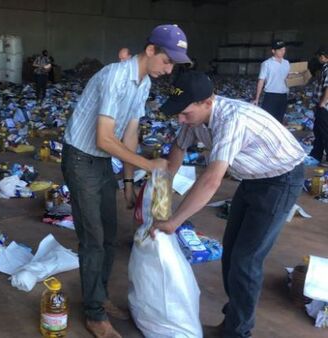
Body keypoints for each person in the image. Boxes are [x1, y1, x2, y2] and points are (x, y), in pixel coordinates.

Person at [151, 71, 305, 338]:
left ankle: (238, 332)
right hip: (252, 178)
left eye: (185, 113)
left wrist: (174, 222)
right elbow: (177, 149)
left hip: (281, 179)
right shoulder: (193, 118)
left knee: (246, 261)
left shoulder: (232, 119)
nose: (181, 118)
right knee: (231, 254)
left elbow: (211, 181)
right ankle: (233, 321)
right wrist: (161, 198)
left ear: (207, 102)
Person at [62, 24, 191, 338]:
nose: (169, 68)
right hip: (81, 159)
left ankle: (100, 296)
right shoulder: (116, 76)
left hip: (102, 162)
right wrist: (149, 164)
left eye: (174, 63)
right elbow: (105, 139)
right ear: (150, 50)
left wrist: (129, 183)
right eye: (167, 60)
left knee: (108, 235)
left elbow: (130, 134)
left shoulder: (143, 83)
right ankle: (93, 314)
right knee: (93, 239)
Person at [253, 39, 290, 123]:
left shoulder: (287, 63)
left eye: (284, 49)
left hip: (283, 96)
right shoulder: (266, 64)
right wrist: (257, 98)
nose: (282, 52)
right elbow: (261, 81)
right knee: (268, 121)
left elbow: (288, 78)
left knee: (279, 121)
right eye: (280, 50)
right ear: (273, 51)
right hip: (270, 96)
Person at [310, 46, 328, 165]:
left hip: (324, 107)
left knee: (325, 132)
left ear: (323, 57)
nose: (318, 59)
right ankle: (316, 154)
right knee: (318, 131)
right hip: (320, 105)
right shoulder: (324, 69)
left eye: (319, 57)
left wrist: (322, 103)